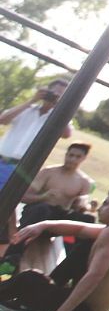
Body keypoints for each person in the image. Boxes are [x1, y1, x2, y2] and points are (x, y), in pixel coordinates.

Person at [0, 186, 109, 311]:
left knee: (30, 279)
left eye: (106, 204)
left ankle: (26, 304)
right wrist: (43, 225)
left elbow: (94, 276)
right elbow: (80, 229)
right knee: (86, 244)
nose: (99, 208)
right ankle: (27, 301)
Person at [0, 141, 94, 276]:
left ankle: (76, 269)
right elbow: (24, 197)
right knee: (43, 208)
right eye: (70, 155)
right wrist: (43, 196)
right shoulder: (49, 172)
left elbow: (83, 205)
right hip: (37, 213)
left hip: (57, 218)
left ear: (84, 159)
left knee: (88, 219)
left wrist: (83, 206)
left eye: (77, 157)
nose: (72, 159)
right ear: (66, 154)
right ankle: (11, 258)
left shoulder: (83, 181)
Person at [0, 79, 72, 255]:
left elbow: (67, 134)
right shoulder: (27, 110)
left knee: (7, 204)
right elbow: (3, 119)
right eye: (52, 92)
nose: (53, 97)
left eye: (59, 95)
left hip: (22, 167)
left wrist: (60, 107)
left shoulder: (57, 118)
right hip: (2, 159)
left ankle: (7, 242)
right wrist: (32, 100)